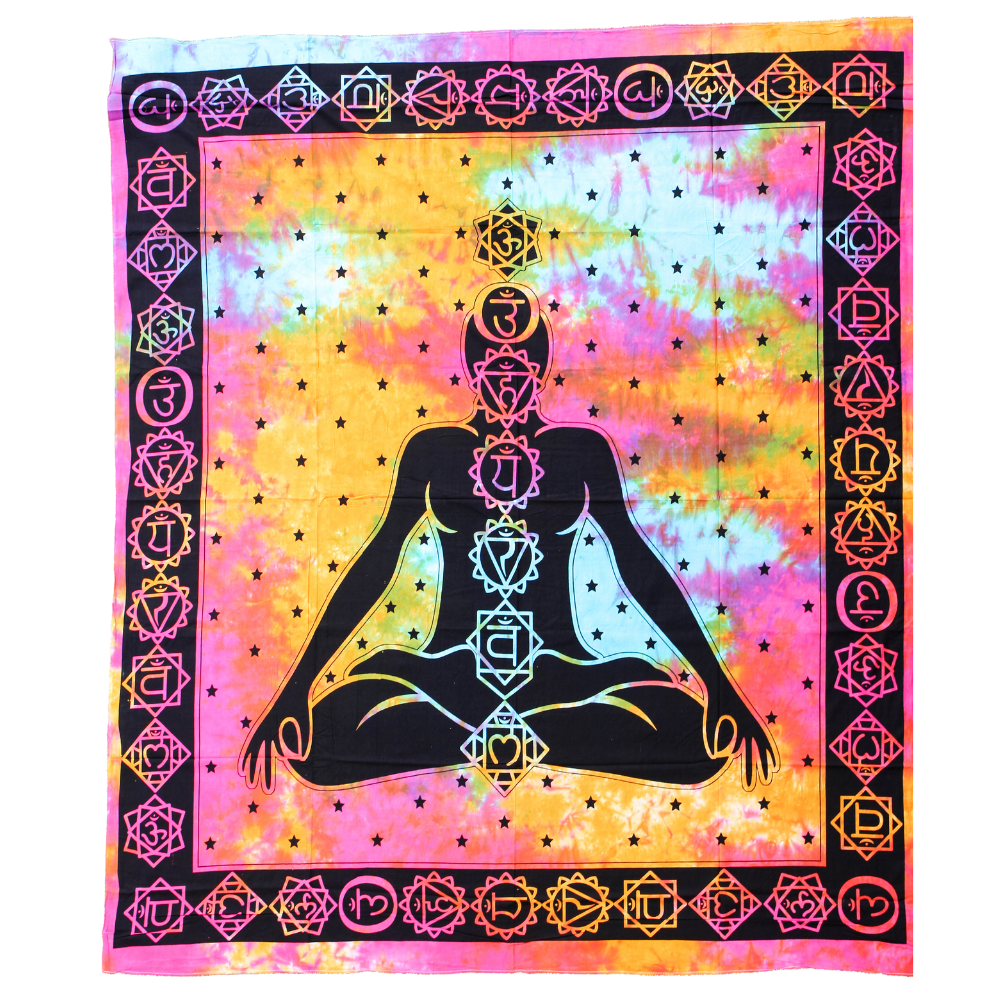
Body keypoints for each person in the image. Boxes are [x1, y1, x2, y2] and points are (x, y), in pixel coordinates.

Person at [240, 282, 777, 795]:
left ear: (540, 371)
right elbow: (378, 563)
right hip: (448, 673)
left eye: (518, 367)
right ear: (472, 372)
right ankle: (540, 741)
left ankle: (478, 742)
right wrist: (298, 687)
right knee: (324, 733)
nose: (506, 382)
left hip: (560, 672)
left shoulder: (581, 451)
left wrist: (718, 686)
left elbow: (638, 566)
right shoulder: (435, 450)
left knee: (687, 729)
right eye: (492, 368)